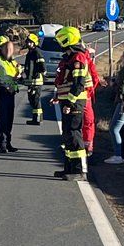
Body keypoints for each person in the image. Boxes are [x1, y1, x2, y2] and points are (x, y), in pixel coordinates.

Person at [50, 25, 100, 180]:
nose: (59, 44)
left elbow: (78, 84)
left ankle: (79, 171)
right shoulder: (70, 58)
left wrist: (69, 103)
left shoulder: (78, 58)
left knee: (74, 134)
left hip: (76, 102)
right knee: (68, 136)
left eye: (60, 41)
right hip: (69, 100)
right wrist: (59, 96)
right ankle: (69, 169)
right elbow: (66, 81)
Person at [18, 32, 47, 124]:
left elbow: (42, 66)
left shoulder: (36, 52)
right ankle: (37, 118)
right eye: (28, 42)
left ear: (34, 43)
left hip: (36, 81)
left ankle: (37, 119)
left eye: (30, 42)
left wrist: (39, 73)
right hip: (31, 81)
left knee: (35, 99)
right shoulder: (30, 52)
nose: (28, 44)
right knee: (32, 99)